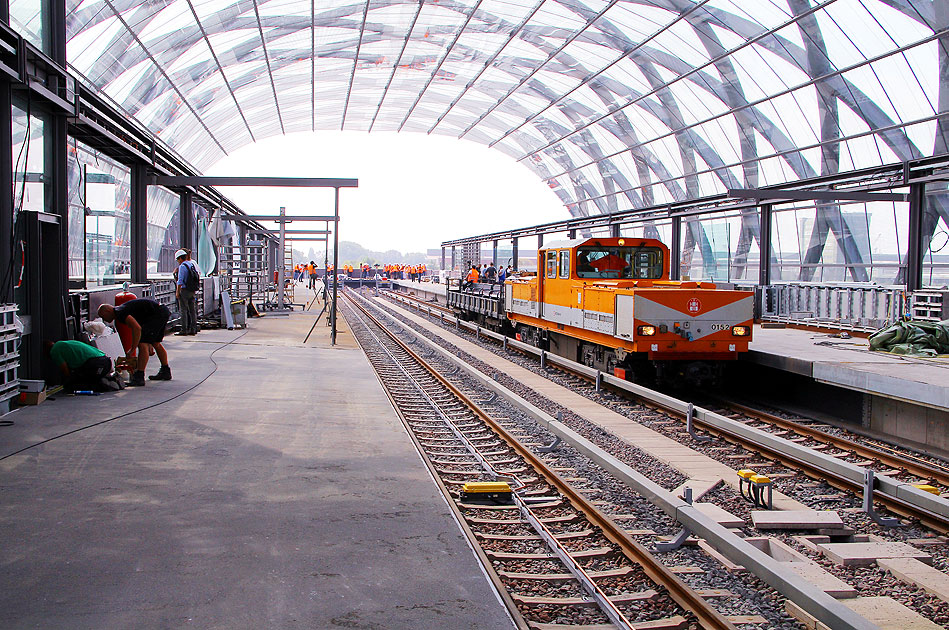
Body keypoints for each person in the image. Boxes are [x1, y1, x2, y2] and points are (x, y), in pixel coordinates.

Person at [98, 298, 171, 387]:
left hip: (157, 314)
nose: (104, 320)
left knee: (142, 344)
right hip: (161, 311)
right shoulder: (121, 310)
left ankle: (139, 376)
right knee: (156, 343)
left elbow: (136, 328)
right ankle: (165, 370)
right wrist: (150, 343)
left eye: (103, 316)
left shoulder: (120, 312)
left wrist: (132, 349)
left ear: (108, 311)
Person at [45, 339, 122, 392]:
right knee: (84, 374)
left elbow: (65, 370)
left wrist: (67, 382)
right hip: (105, 362)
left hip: (96, 364)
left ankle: (102, 384)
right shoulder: (64, 344)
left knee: (74, 385)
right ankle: (110, 378)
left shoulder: (54, 351)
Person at [174, 248, 199, 336]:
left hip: (184, 291)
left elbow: (180, 281)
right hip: (192, 290)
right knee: (192, 310)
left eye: (178, 259)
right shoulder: (190, 264)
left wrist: (177, 292)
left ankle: (184, 329)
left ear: (180, 258)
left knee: (183, 310)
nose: (178, 261)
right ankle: (193, 329)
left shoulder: (182, 266)